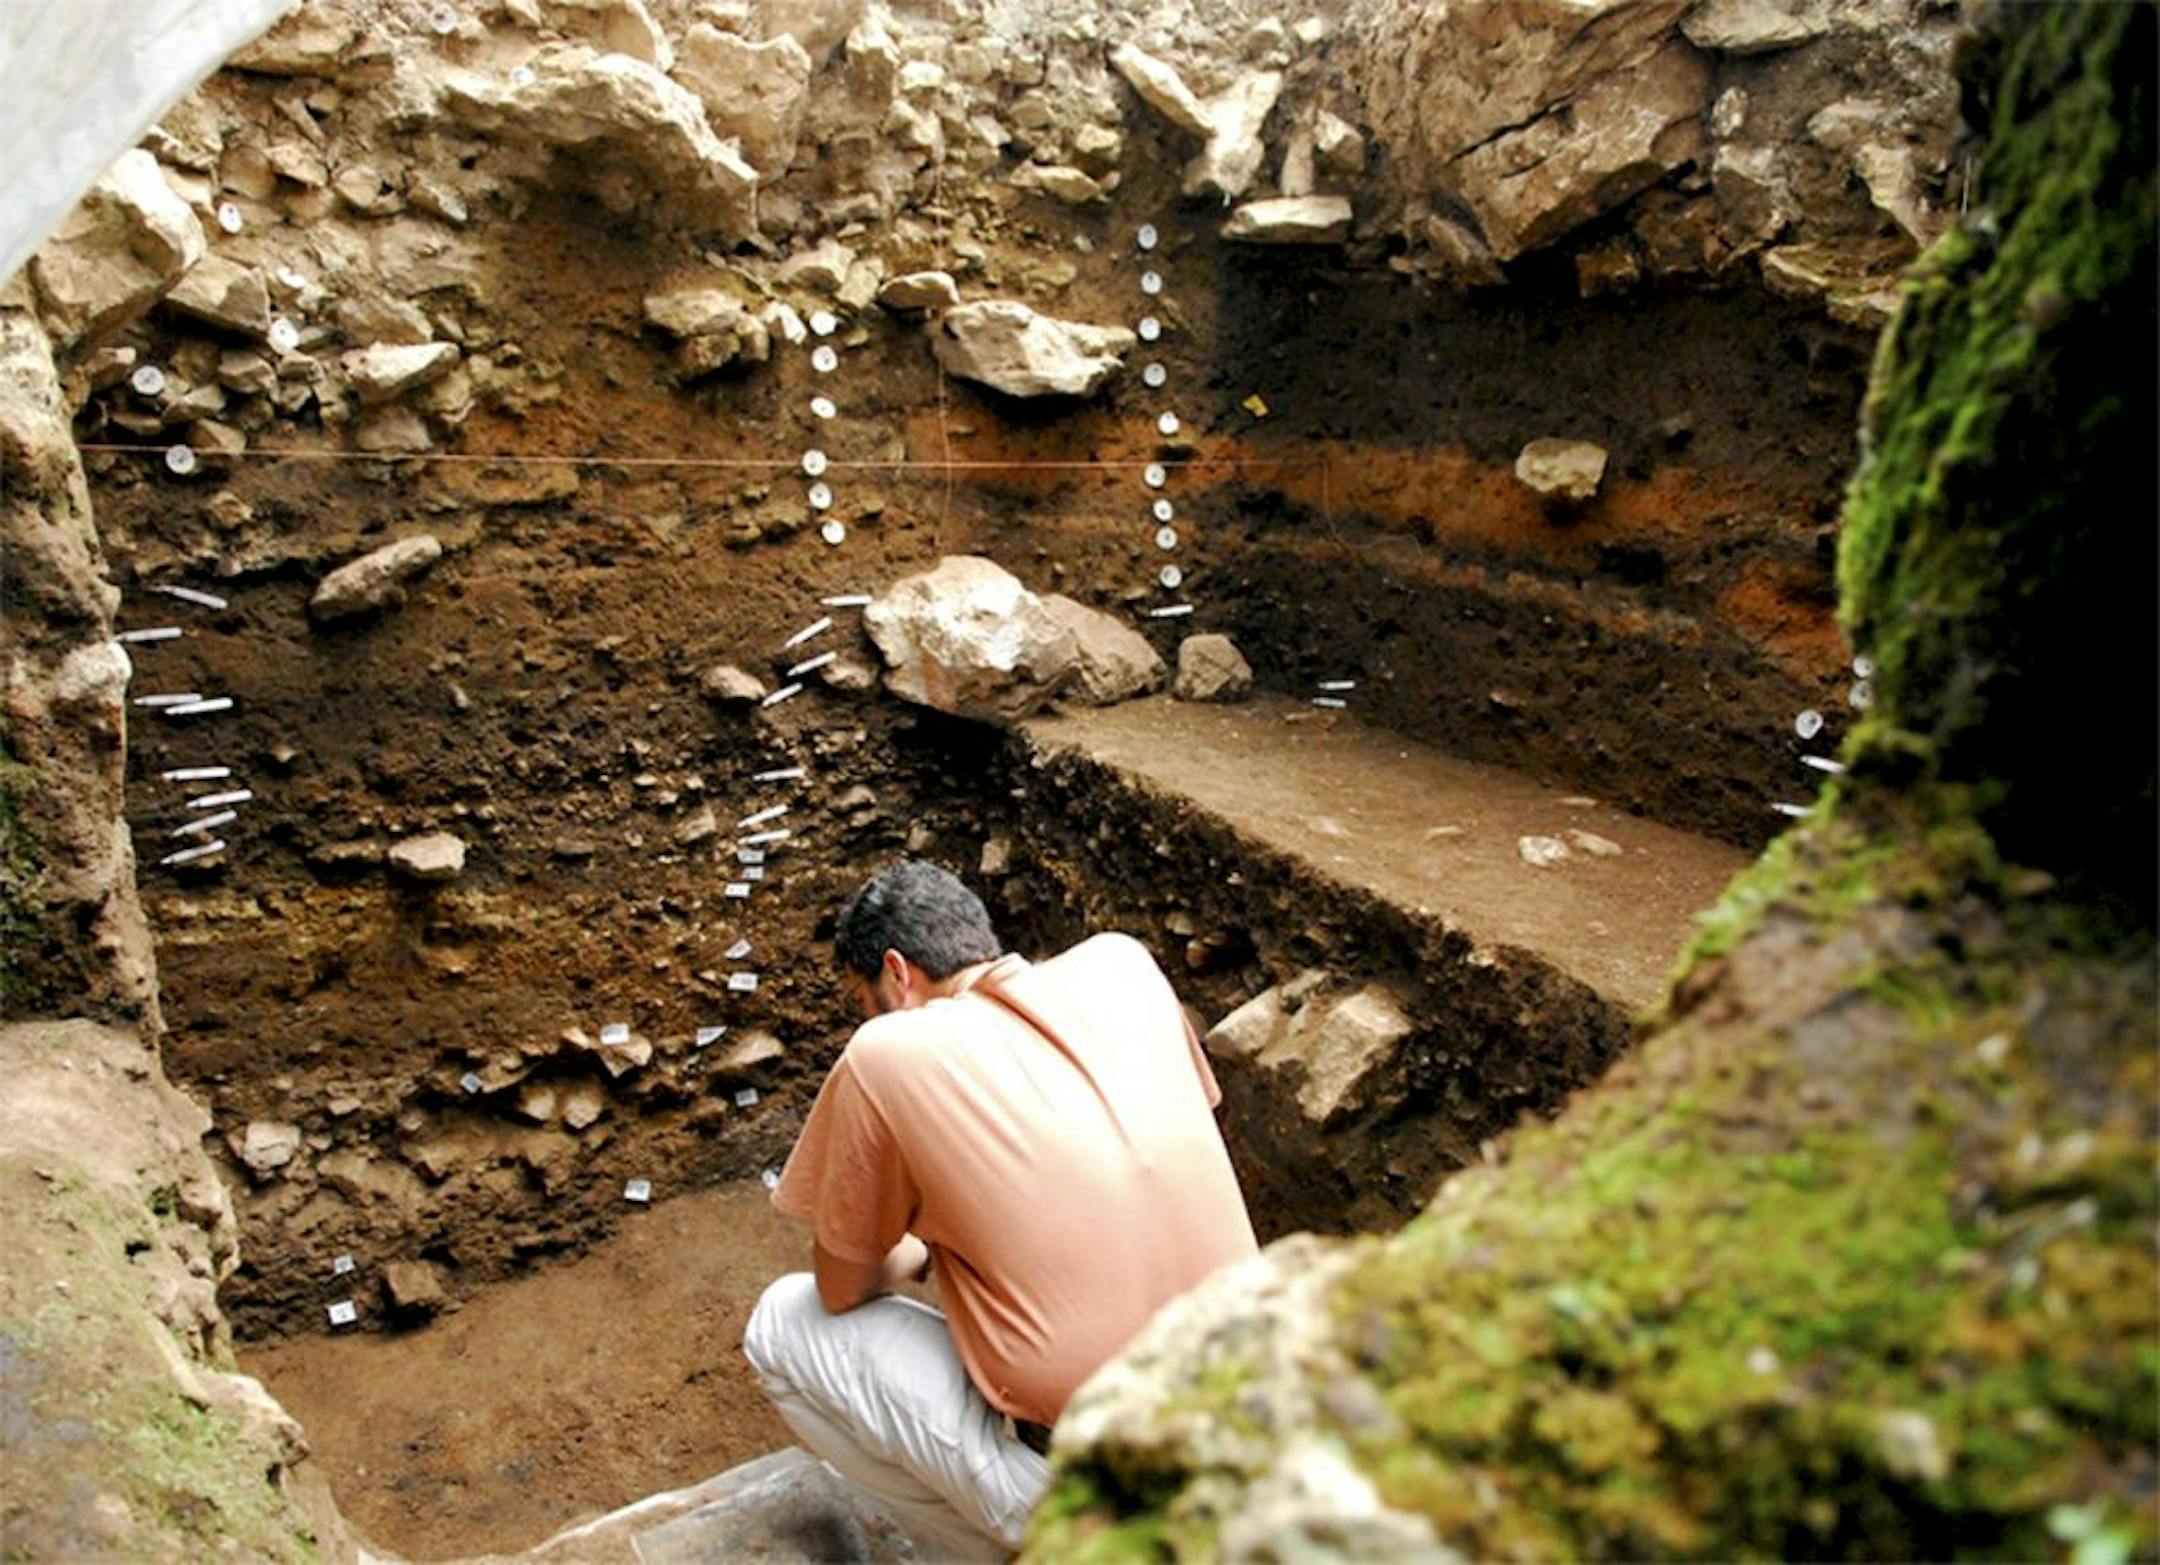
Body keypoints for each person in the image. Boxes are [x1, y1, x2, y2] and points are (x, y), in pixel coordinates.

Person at [743, 859, 1258, 1560]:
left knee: (782, 1323)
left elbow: (842, 1289)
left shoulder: (888, 1050)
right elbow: (1127, 1166)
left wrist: (917, 1246)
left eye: (862, 999)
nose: (866, 1019)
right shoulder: (1124, 966)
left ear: (897, 973)